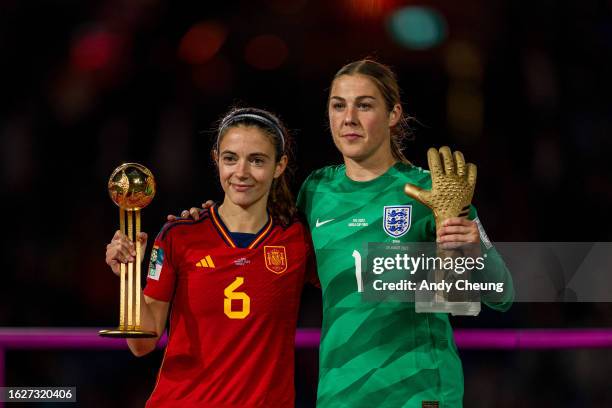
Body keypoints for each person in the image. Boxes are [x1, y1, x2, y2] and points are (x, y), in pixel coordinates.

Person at [177, 60, 513, 407]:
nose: (348, 118)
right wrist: (206, 227)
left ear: (393, 114)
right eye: (338, 105)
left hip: (418, 394)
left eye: (364, 105)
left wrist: (468, 244)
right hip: (339, 396)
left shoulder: (433, 190)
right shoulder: (317, 189)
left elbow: (502, 293)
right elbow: (269, 257)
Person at [105, 107, 317, 408]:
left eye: (257, 160)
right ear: (216, 158)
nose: (241, 172)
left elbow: (358, 289)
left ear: (279, 165)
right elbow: (141, 344)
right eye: (230, 158)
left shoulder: (298, 239)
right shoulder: (178, 235)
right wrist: (127, 277)